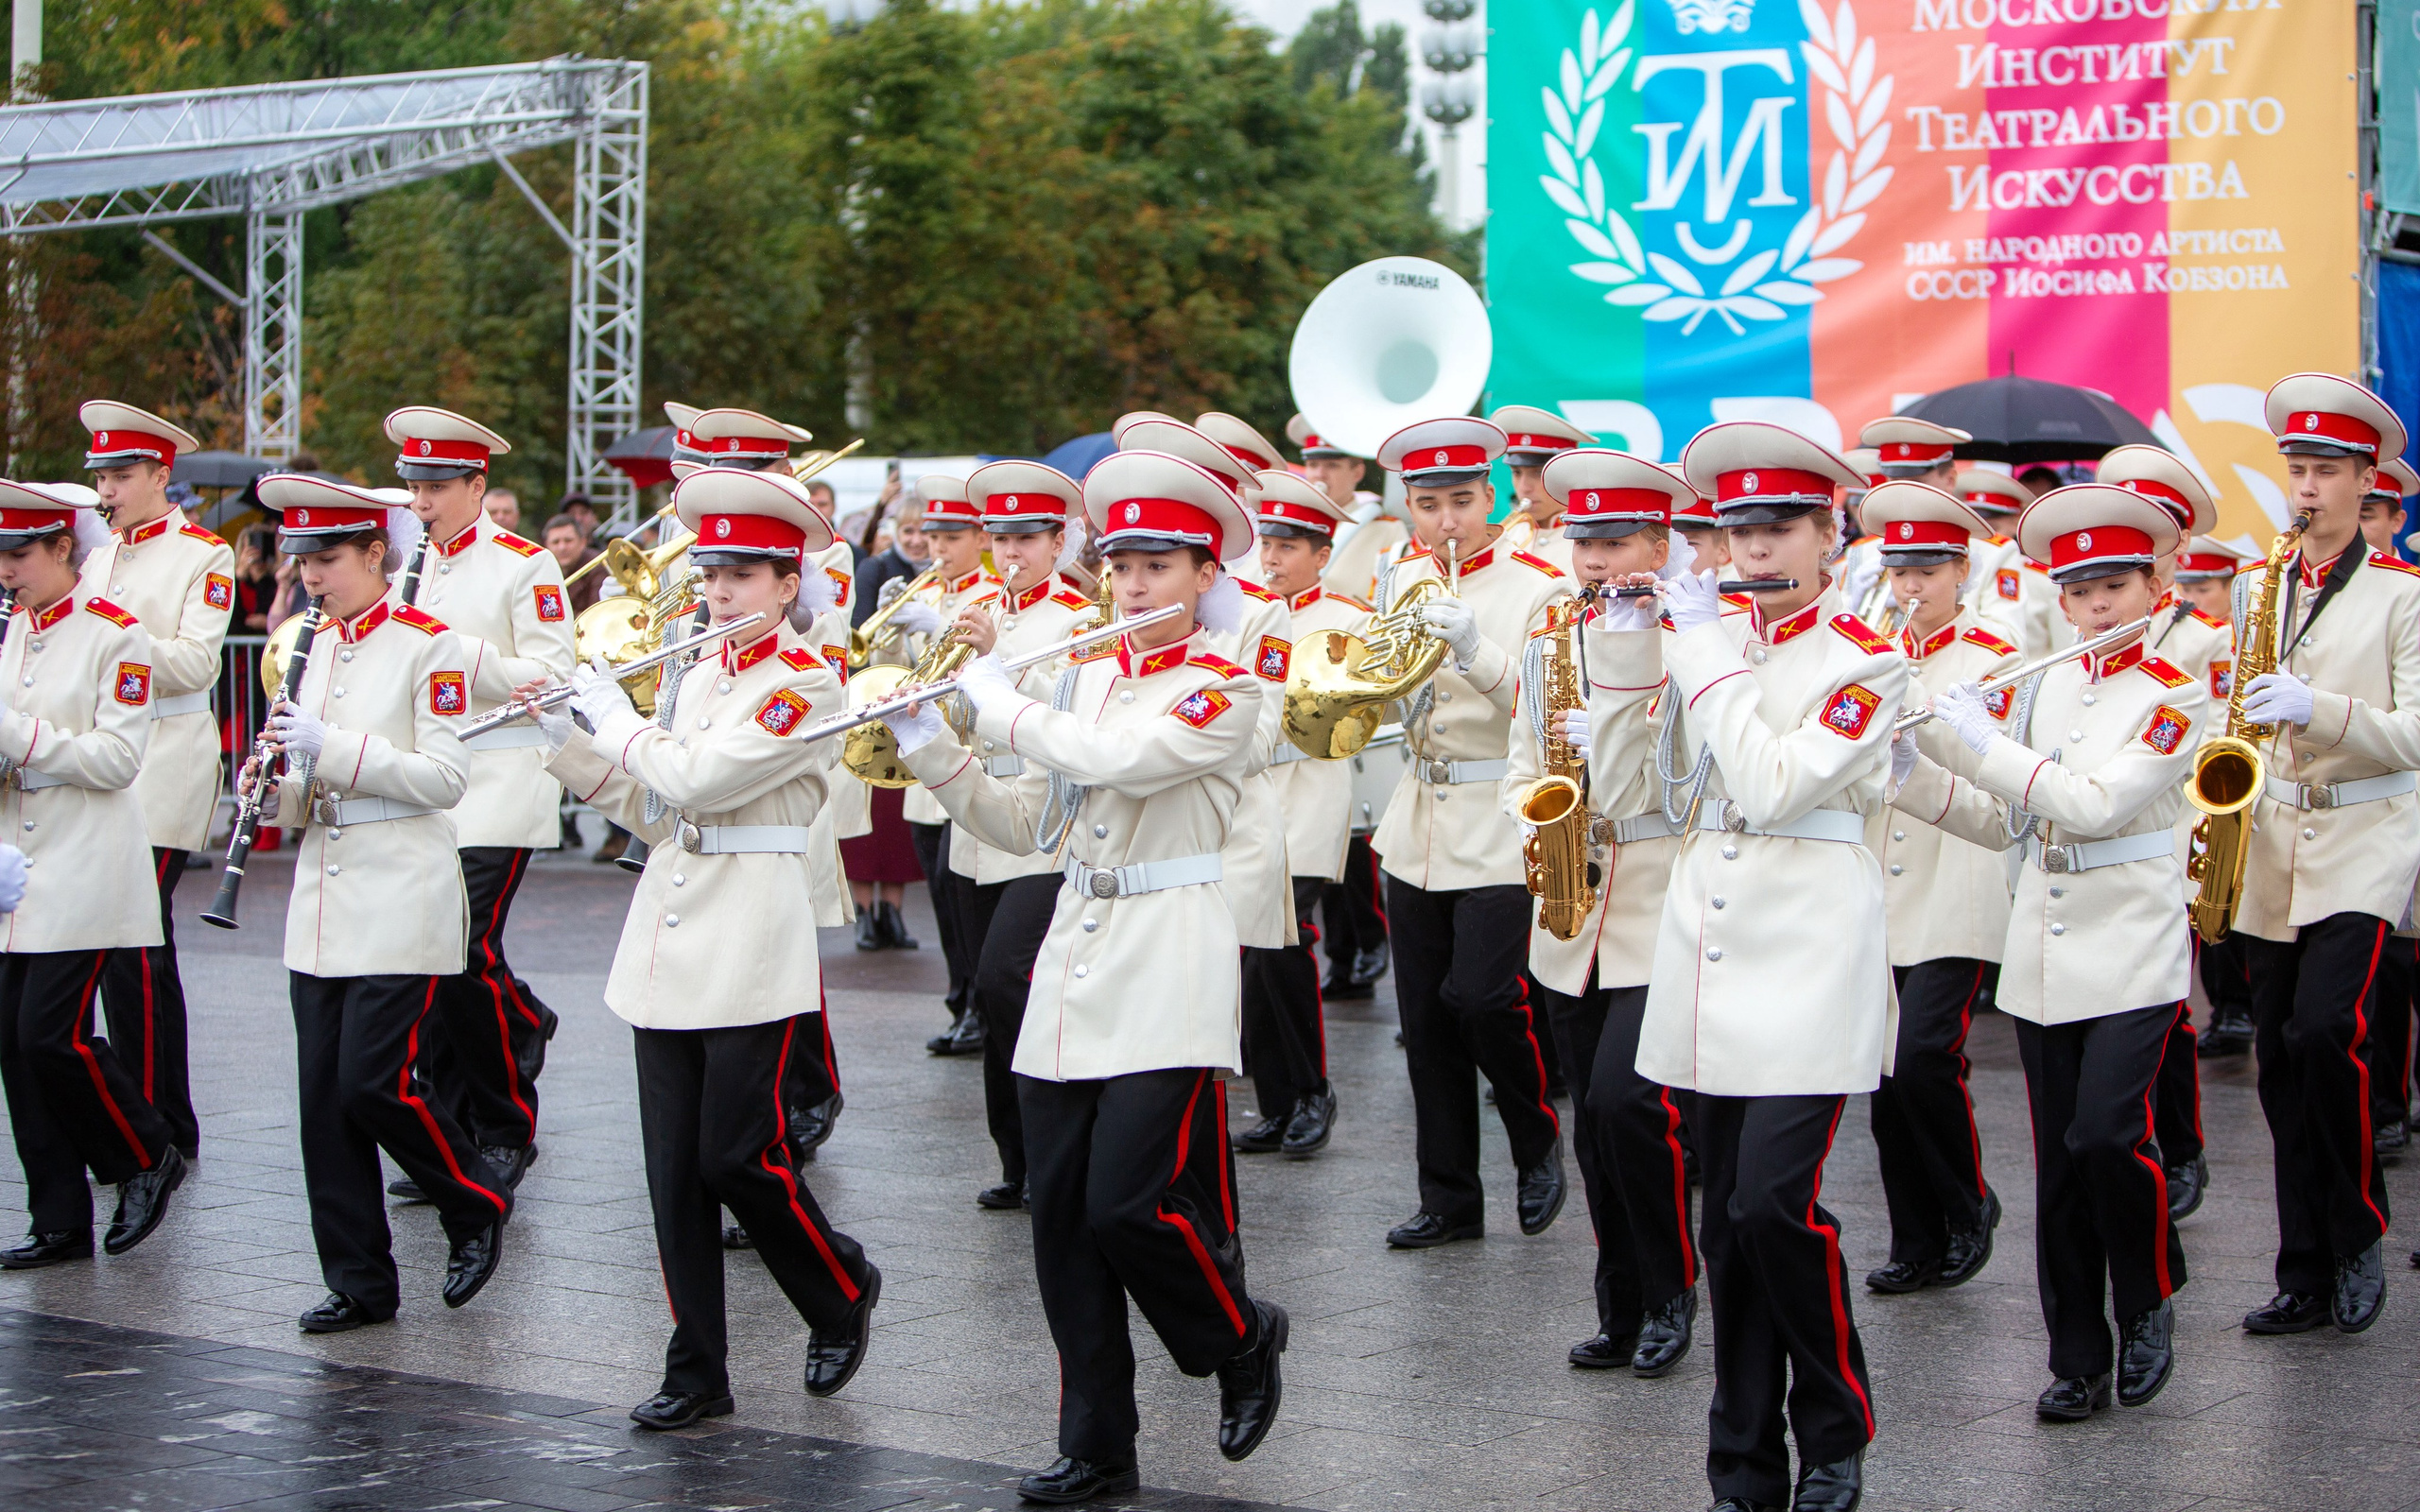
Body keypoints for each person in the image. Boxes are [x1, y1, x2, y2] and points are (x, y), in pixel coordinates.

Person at [883, 447, 1288, 1502]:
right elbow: (1029, 821)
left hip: (1168, 949)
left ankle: (1239, 1335)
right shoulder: (1088, 677)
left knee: (1127, 1204)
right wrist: (931, 741)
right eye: (1121, 565)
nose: (1135, 584)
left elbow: (1124, 762)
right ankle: (1097, 1439)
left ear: (1205, 574)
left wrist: (997, 698)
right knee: (1061, 1220)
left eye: (1159, 564)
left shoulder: (1227, 686)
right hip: (1078, 947)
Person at [523, 464, 879, 1427]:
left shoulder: (805, 682)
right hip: (669, 923)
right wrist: (566, 738)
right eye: (713, 574)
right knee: (673, 1170)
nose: (720, 592)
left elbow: (703, 777)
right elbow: (652, 800)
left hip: (749, 930)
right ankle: (696, 1367)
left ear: (788, 583)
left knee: (737, 1155)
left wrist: (620, 721)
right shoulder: (700, 670)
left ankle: (838, 1286)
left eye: (744, 576)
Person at [1893, 482, 2203, 1420]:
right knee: (2060, 1163)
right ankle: (2076, 1354)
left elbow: (2095, 802)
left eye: (2113, 585)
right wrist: (1913, 766)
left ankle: (2147, 1298)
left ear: (2153, 584)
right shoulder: (2043, 680)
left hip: (2132, 942)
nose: (2095, 606)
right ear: (2059, 598)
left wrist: (1979, 742)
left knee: (2109, 1134)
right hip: (2039, 947)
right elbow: (2001, 817)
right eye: (2078, 590)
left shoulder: (2174, 697)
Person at [1641, 420, 1897, 1512]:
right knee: (1724, 1225)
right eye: (1736, 529)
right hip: (1707, 951)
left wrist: (1700, 653)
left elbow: (1773, 782)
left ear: (1828, 530)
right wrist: (1629, 649)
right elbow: (1645, 792)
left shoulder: (1867, 660)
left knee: (1768, 1207)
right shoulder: (1711, 641)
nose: (1752, 549)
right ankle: (1741, 1464)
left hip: (1807, 954)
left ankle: (1834, 1423)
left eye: (1778, 525)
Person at [246, 474, 504, 1332]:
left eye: (327, 560)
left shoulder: (430, 645)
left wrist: (335, 747)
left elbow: (445, 776)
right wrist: (273, 780)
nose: (311, 578)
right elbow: (303, 774)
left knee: (373, 1084)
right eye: (304, 562)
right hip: (324, 891)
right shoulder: (311, 646)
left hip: (401, 886)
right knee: (323, 1099)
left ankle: (473, 1201)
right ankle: (360, 1280)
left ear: (373, 555)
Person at [2230, 374, 2420, 1340]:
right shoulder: (2252, 586)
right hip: (2273, 839)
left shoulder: (2400, 595)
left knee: (2321, 1033)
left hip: (2363, 835)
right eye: (2295, 470)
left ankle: (2357, 1234)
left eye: (2323, 473)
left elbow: (2419, 730)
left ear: (2366, 481)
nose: (2303, 490)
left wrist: (2324, 710)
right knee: (2276, 1061)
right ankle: (2300, 1264)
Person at [1506, 450, 1700, 1377]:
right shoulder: (1551, 628)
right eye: (1584, 540)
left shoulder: (1695, 633)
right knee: (1590, 1119)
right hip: (1572, 898)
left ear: (1660, 540)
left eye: (1616, 540)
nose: (1596, 560)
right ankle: (1619, 1300)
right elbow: (1521, 747)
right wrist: (1529, 821)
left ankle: (1670, 1290)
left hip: (1660, 880)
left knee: (1629, 1103)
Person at [1366, 416, 1568, 1251]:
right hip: (1417, 818)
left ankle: (1535, 1136)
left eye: (1460, 500)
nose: (1445, 520)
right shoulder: (1396, 577)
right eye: (1427, 504)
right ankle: (1449, 1194)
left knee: (1484, 997)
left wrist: (1478, 649)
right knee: (1427, 1022)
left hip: (1501, 816)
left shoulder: (1537, 586)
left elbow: (1552, 715)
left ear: (1490, 497)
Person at [379, 407, 575, 1203]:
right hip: (428, 781)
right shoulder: (399, 566)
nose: (421, 502)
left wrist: (447, 648)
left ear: (475, 485)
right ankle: (466, 1108)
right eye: (413, 486)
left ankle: (504, 1127)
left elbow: (551, 672)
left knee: (462, 949)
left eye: (436, 486)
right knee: (438, 955)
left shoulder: (524, 566)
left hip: (500, 777)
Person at [0, 482, 186, 1272]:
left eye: (20, 556)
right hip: (19, 858)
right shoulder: (17, 629)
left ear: (61, 551)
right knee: (16, 1043)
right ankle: (58, 1219)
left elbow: (117, 760)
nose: (8, 573)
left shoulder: (117, 635)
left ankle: (146, 1152)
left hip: (86, 854)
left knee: (53, 1033)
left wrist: (16, 735)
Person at [1853, 482, 2014, 1297]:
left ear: (1961, 569)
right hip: (1881, 876)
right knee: (1883, 1068)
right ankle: (1915, 1236)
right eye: (1898, 569)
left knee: (1922, 1056)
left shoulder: (1994, 657)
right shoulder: (1870, 648)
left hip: (1957, 873)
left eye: (1927, 568)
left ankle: (1967, 1201)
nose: (1910, 587)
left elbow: (1993, 776)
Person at [77, 404, 233, 1165]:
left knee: (134, 937)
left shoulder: (203, 554)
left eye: (121, 475)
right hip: (104, 752)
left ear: (159, 475)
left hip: (166, 752)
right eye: (101, 475)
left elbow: (198, 665)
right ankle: (162, 1116)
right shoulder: (99, 555)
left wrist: (112, 630)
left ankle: (152, 1124)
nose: (107, 490)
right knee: (134, 945)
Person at [949, 458, 1098, 1210]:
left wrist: (992, 664)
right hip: (978, 812)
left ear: (1058, 541)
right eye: (1000, 538)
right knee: (990, 985)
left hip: (1043, 814)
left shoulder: (1078, 616)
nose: (1010, 554)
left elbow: (1070, 709)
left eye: (1027, 539)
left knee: (1013, 976)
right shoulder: (976, 602)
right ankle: (1015, 1155)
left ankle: (1050, 1150)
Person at [2097, 444, 2232, 1222]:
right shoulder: (2087, 617)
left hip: (2170, 832)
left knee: (2168, 1008)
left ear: (2172, 553)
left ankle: (2178, 1148)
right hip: (2095, 832)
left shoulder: (2204, 637)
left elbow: (2213, 746)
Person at [1231, 470, 1364, 1160]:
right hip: (1253, 800)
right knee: (1253, 951)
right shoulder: (1244, 614)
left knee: (1283, 947)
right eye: (1269, 544)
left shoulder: (1348, 620)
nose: (1273, 559)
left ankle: (1312, 1091)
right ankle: (1278, 1099)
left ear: (1322, 553)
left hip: (1310, 793)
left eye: (1290, 546)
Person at [1285, 416, 1391, 998]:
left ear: (1357, 470)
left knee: (1351, 849)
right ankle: (1348, 950)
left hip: (1338, 704)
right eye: (1314, 463)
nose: (1320, 473)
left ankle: (1364, 946)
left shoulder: (1385, 531)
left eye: (1332, 464)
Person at [901, 474, 1001, 1057]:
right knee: (941, 895)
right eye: (933, 536)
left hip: (966, 757)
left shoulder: (987, 594)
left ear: (977, 538)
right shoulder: (927, 592)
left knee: (957, 886)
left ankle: (974, 1004)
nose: (938, 548)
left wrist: (935, 627)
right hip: (922, 769)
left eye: (951, 536)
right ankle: (958, 996)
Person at [1489, 404, 1597, 573]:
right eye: (1516, 472)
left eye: (1538, 473)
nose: (1524, 487)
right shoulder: (1505, 537)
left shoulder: (1595, 541)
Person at [543, 513, 604, 615]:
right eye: (555, 542)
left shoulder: (598, 566)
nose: (562, 547)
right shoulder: (540, 570)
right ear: (546, 545)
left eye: (568, 541)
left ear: (583, 542)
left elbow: (596, 614)